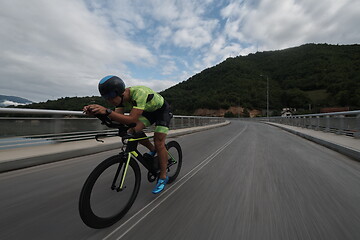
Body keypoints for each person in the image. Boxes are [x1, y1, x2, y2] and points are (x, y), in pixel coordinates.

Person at [83, 75, 173, 194]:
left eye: (110, 97)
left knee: (159, 142)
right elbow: (118, 120)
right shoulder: (119, 101)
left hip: (162, 111)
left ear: (120, 92)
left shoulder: (139, 93)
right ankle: (153, 150)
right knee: (133, 131)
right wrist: (97, 113)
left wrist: (106, 111)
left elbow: (131, 119)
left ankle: (163, 177)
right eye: (106, 98)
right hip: (148, 112)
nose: (109, 101)